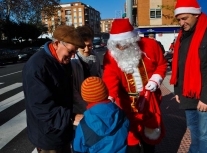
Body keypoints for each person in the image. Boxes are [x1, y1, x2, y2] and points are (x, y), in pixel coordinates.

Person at [170, 0, 207, 152]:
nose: (181, 22)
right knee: (195, 134)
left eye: (185, 18)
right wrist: (178, 90)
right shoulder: (183, 35)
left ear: (196, 14)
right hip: (188, 95)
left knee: (206, 138)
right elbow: (180, 65)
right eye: (179, 19)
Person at [103, 18, 167, 153]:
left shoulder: (151, 45)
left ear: (132, 41)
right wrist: (110, 99)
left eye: (123, 44)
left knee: (150, 138)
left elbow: (161, 64)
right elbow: (110, 80)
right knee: (131, 141)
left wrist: (156, 79)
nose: (120, 48)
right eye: (117, 45)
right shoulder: (111, 55)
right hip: (126, 104)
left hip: (150, 101)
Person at [22, 25, 85, 153]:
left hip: (62, 129)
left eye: (75, 52)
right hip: (48, 134)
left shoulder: (62, 61)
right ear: (56, 44)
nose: (73, 56)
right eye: (71, 51)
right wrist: (71, 118)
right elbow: (41, 106)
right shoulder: (37, 66)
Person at [73, 77, 129, 153]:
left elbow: (78, 148)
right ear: (105, 92)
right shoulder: (121, 114)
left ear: (85, 98)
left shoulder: (84, 125)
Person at [71, 25, 102, 120]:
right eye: (83, 47)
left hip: (96, 101)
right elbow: (73, 90)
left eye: (89, 45)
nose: (87, 49)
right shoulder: (73, 61)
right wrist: (84, 107)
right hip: (80, 108)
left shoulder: (95, 56)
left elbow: (99, 76)